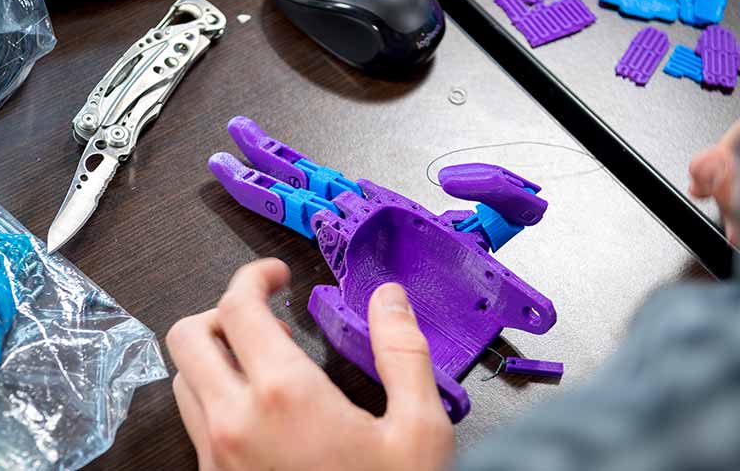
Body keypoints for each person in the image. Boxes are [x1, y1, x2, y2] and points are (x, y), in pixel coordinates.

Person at [167, 122, 740, 471]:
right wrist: (510, 204)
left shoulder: (699, 357)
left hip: (383, 270)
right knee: (317, 182)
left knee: (314, 194)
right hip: (398, 237)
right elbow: (501, 221)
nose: (709, 164)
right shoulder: (694, 333)